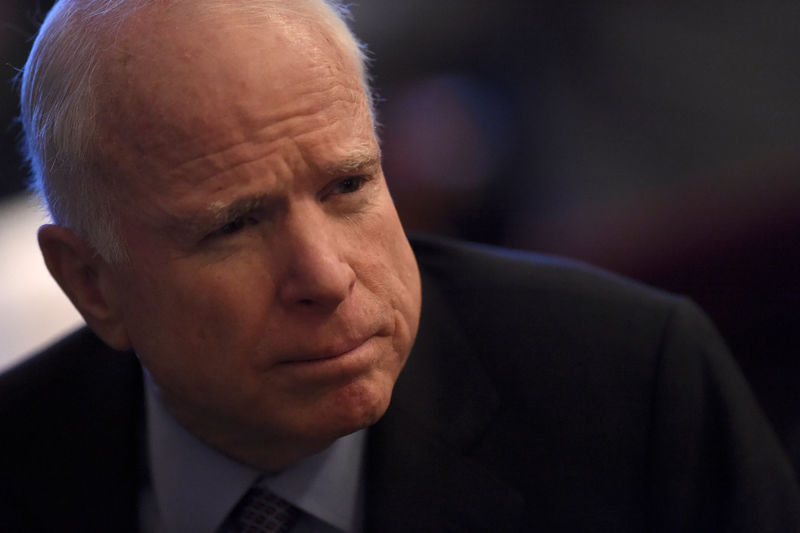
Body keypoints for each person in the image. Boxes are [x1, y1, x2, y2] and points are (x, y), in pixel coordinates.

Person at [1, 1, 798, 531]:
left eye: (349, 185)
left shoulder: (638, 389)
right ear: (91, 284)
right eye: (235, 226)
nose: (327, 275)